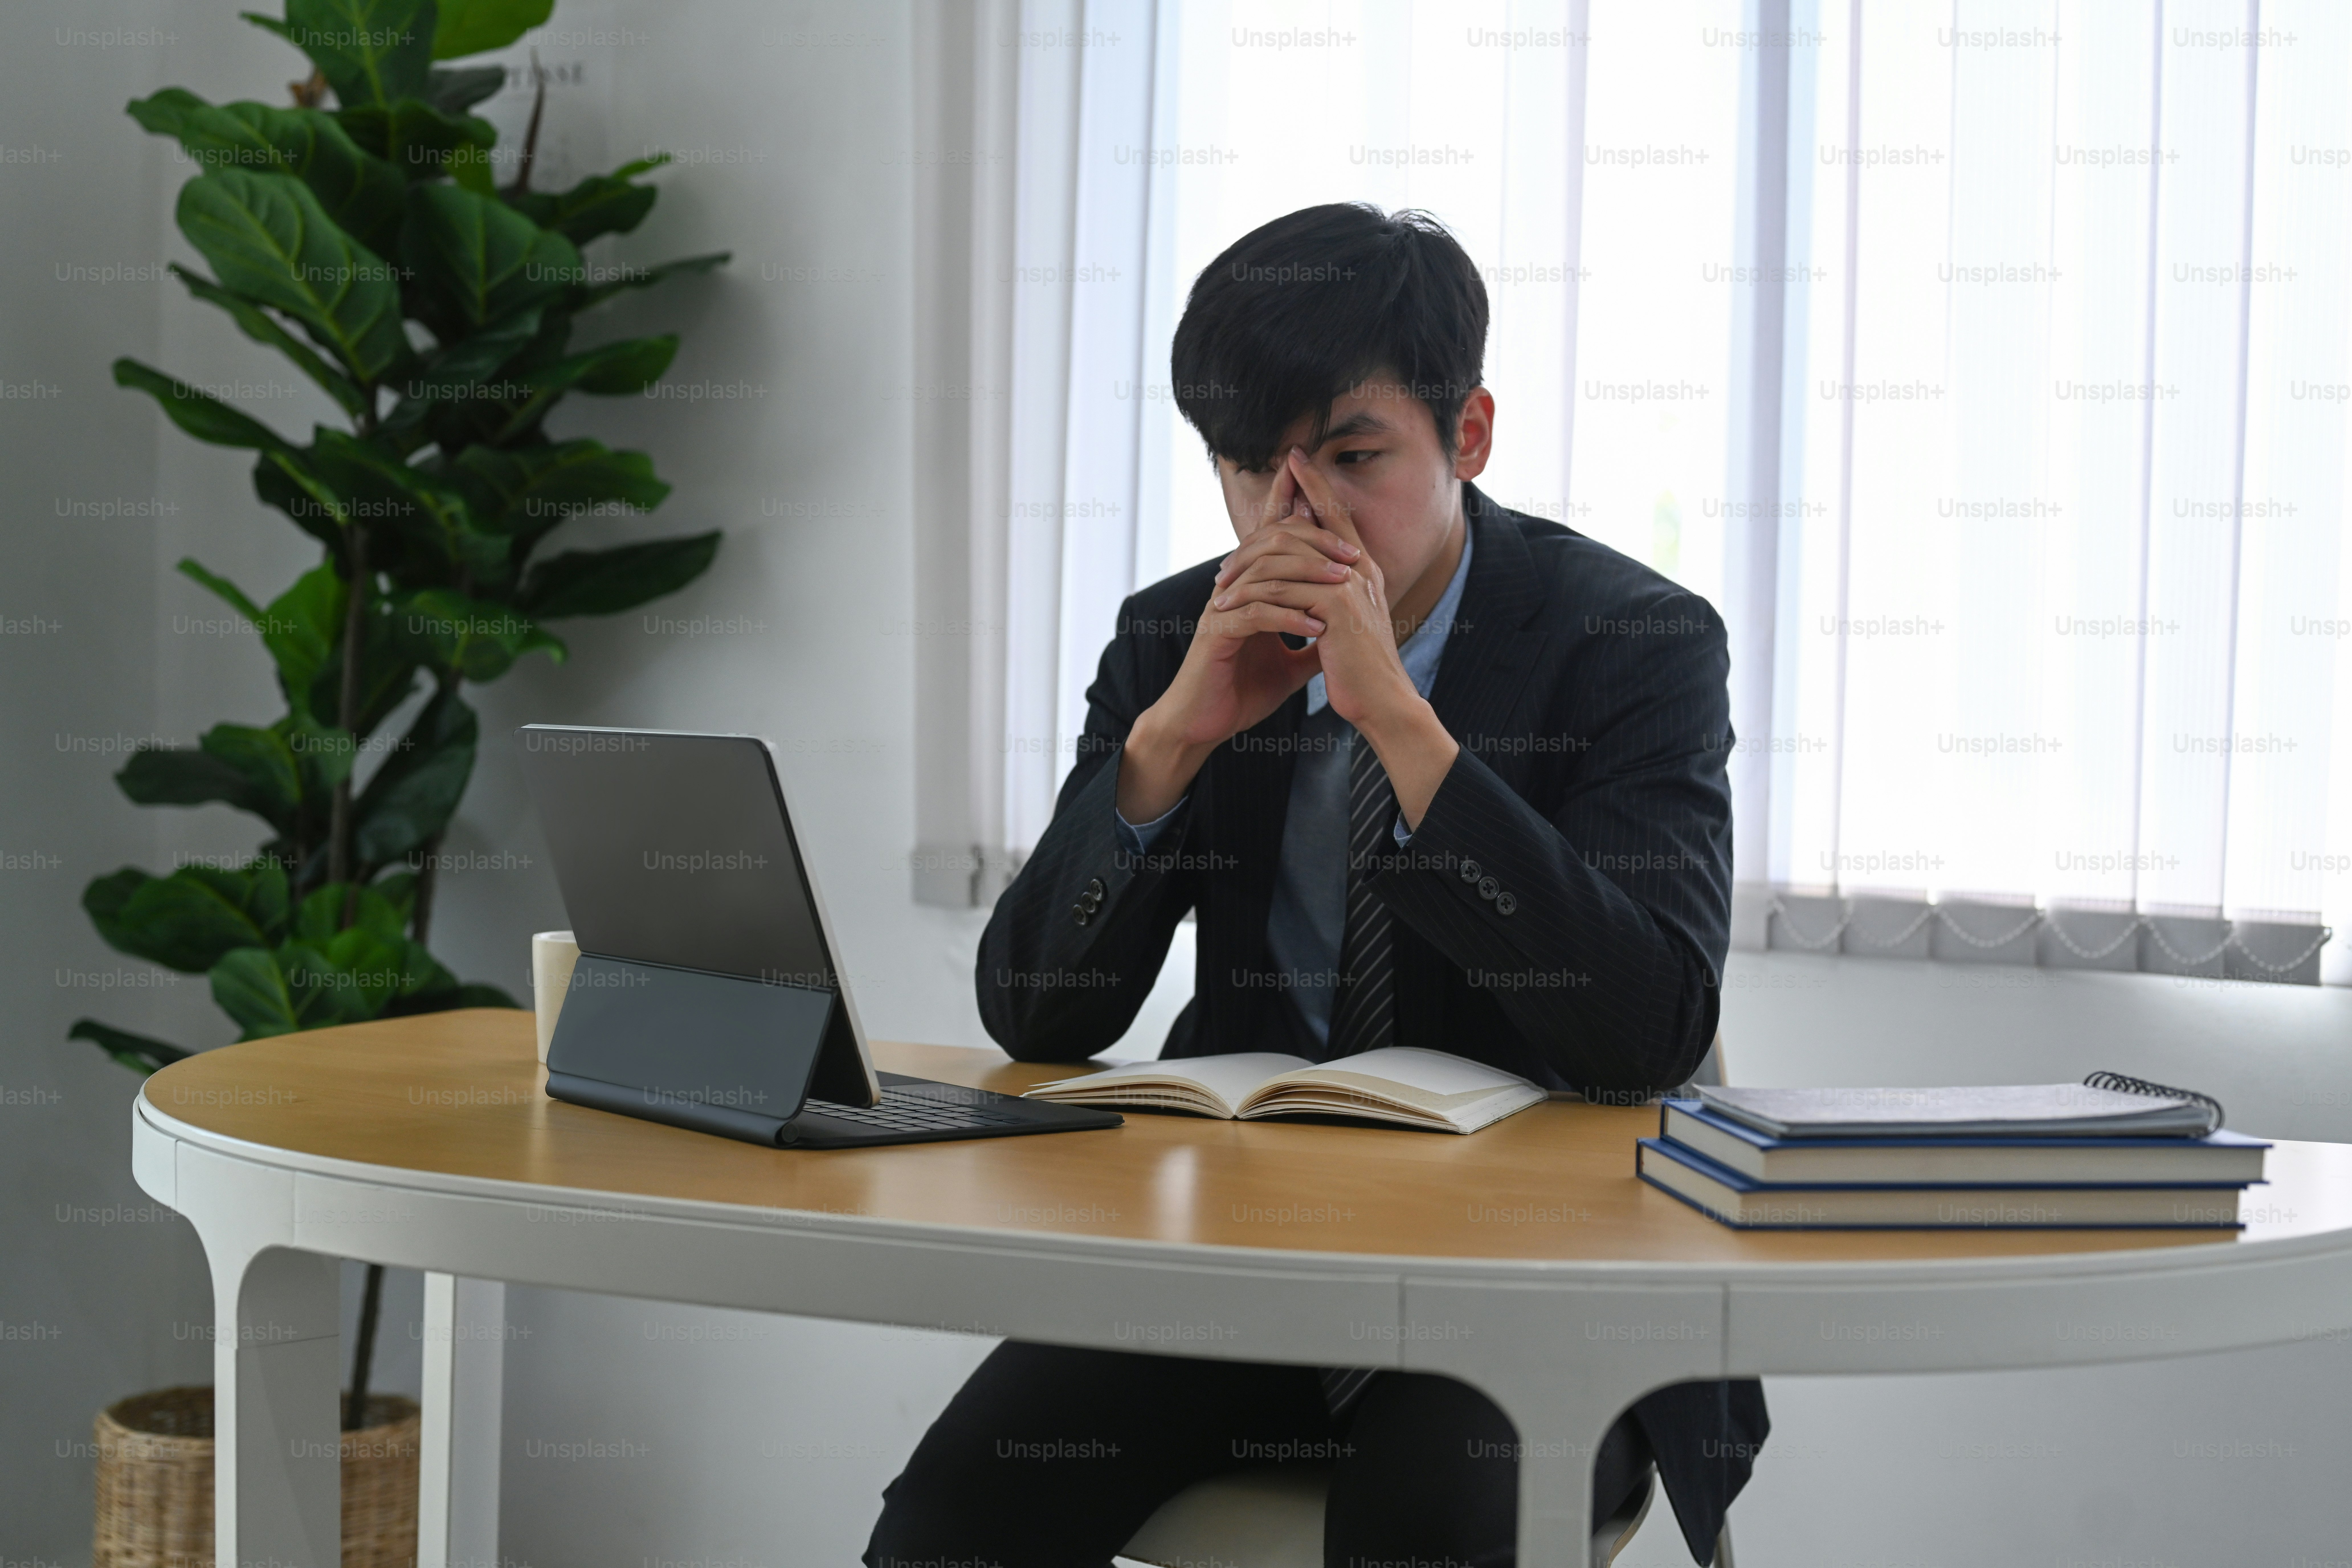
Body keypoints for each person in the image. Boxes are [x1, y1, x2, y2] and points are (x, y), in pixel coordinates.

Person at [866, 203, 1766, 1567]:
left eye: (1353, 458)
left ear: (1468, 435)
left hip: (1538, 1280)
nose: (1298, 518)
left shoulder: (1634, 641)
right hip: (1245, 1259)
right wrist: (1167, 748)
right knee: (954, 1519)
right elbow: (1039, 1012)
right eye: (1250, 468)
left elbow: (1649, 1028)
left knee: (1428, 1526)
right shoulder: (1179, 636)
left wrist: (1403, 726)